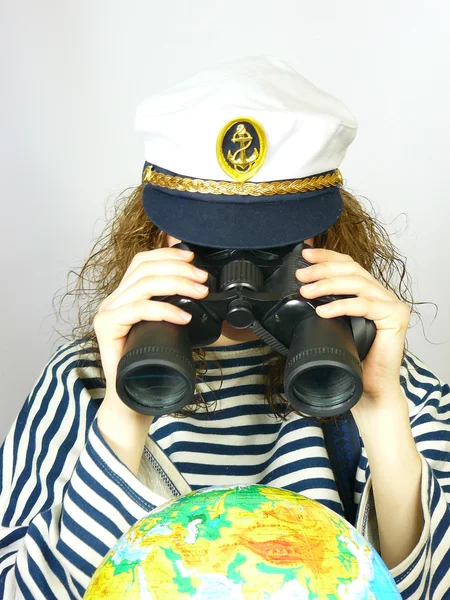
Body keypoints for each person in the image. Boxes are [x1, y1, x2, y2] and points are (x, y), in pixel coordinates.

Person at [0, 56, 449, 600]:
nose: (236, 280)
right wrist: (124, 409)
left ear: (329, 240)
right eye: (204, 245)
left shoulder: (401, 388)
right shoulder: (79, 381)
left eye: (274, 249)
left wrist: (381, 410)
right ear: (155, 237)